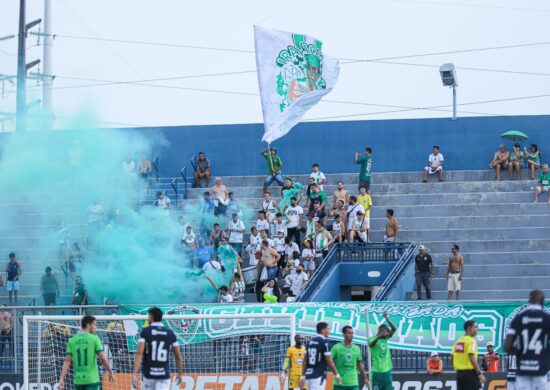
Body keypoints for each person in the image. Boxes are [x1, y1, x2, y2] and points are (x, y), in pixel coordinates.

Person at [504, 289, 550, 390]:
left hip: (523, 365)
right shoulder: (547, 318)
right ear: (542, 302)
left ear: (529, 300)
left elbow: (507, 347)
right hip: (541, 365)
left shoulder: (518, 319)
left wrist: (520, 352)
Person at [132, 307, 183, 389]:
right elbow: (178, 356)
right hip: (163, 375)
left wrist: (134, 373)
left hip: (149, 374)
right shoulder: (170, 333)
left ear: (151, 316)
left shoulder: (145, 332)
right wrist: (180, 373)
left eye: (148, 315)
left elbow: (139, 353)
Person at [59, 315, 115, 390]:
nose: (96, 327)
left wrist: (62, 378)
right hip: (92, 379)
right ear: (88, 325)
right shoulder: (95, 338)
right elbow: (103, 358)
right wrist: (111, 372)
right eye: (94, 324)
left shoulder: (72, 340)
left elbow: (67, 361)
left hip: (78, 380)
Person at [300, 322, 341, 390]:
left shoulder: (309, 342)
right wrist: (336, 374)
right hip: (318, 376)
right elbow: (329, 361)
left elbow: (304, 361)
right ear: (323, 330)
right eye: (328, 329)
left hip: (309, 376)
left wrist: (303, 376)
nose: (329, 331)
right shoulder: (324, 342)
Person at [331, 326, 369, 390]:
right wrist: (336, 374)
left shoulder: (357, 348)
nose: (352, 335)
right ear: (344, 334)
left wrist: (365, 379)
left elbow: (359, 364)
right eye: (349, 333)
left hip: (353, 383)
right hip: (339, 383)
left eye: (352, 333)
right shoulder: (336, 347)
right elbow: (329, 361)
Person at [451, 320, 486, 390]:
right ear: (469, 328)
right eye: (475, 327)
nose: (477, 329)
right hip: (470, 374)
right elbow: (471, 357)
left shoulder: (458, 341)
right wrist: (479, 373)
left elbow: (452, 359)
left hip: (459, 374)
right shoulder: (471, 341)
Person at [368, 312, 397, 390]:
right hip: (377, 372)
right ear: (381, 330)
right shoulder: (372, 338)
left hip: (387, 372)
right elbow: (371, 345)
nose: (387, 333)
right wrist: (379, 336)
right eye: (386, 331)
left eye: (387, 331)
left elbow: (394, 329)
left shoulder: (386, 339)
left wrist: (387, 319)